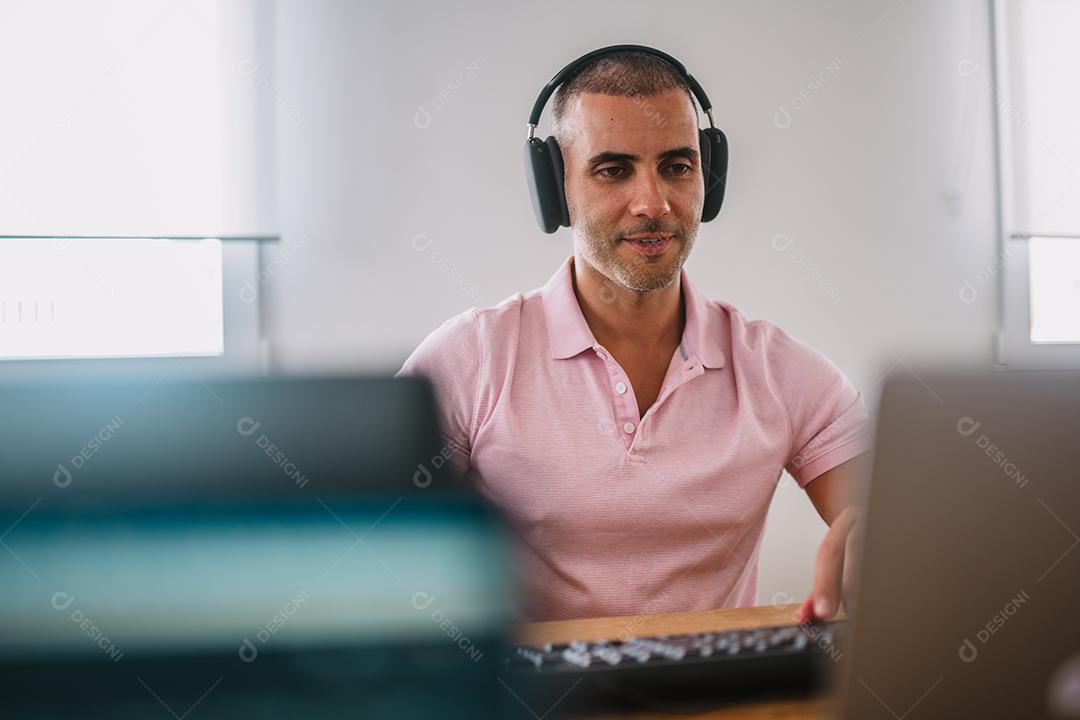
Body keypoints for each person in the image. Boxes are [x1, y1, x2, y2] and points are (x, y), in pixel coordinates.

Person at [397, 48, 872, 623]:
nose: (654, 203)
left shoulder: (783, 374)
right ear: (556, 188)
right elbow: (368, 549)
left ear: (708, 178)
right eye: (613, 170)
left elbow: (894, 523)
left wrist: (877, 545)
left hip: (716, 700)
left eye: (677, 166)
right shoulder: (469, 359)